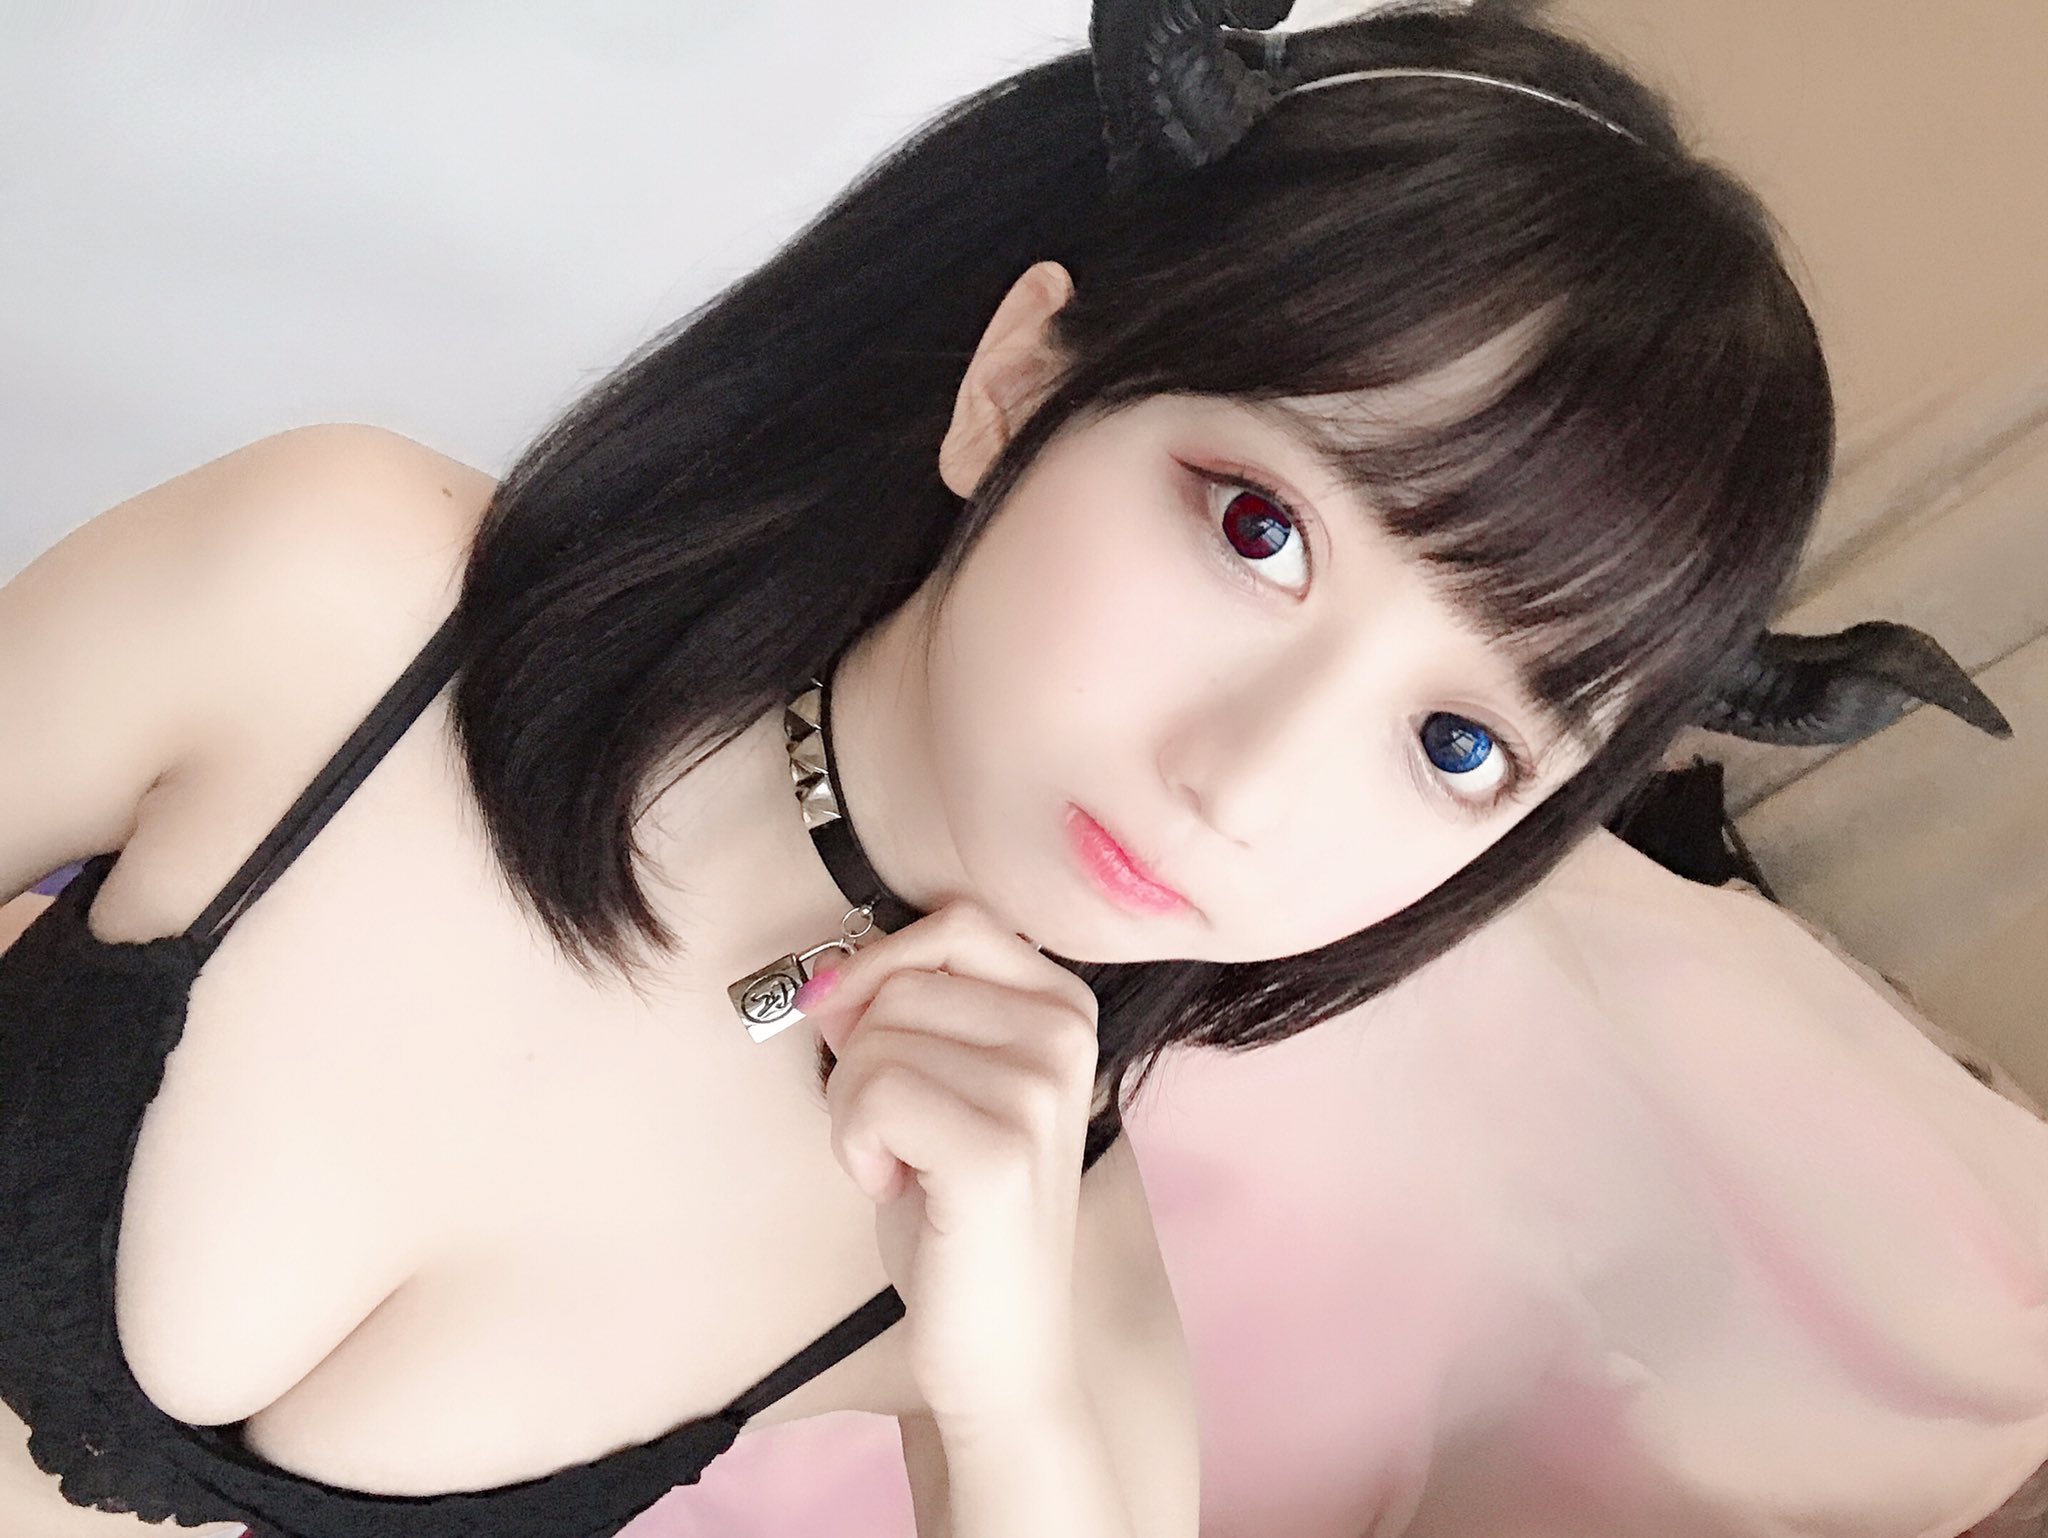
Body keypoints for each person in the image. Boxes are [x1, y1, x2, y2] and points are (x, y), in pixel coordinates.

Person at [0, 2, 1842, 1535]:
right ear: (1021, 383)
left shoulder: (1037, 1278)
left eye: (1458, 744)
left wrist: (1001, 1397)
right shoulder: (335, 610)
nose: (1248, 782)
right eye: (1261, 528)